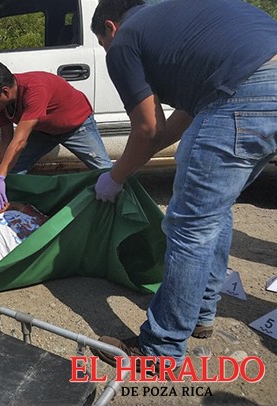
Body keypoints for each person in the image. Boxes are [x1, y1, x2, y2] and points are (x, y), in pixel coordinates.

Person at [89, 0, 277, 369]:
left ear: (110, 27)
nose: (108, 51)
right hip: (261, 83)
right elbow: (176, 121)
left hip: (244, 94)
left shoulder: (125, 39)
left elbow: (147, 129)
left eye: (102, 44)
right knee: (212, 210)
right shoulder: (179, 20)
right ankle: (202, 312)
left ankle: (159, 350)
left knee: (189, 229)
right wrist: (144, 152)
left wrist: (115, 177)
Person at [0, 60, 112, 209]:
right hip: (43, 130)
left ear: (5, 92)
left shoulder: (35, 89)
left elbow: (19, 141)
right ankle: (13, 210)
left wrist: (0, 175)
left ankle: (121, 208)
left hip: (76, 125)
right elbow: (7, 138)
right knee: (11, 171)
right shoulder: (1, 103)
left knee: (106, 172)